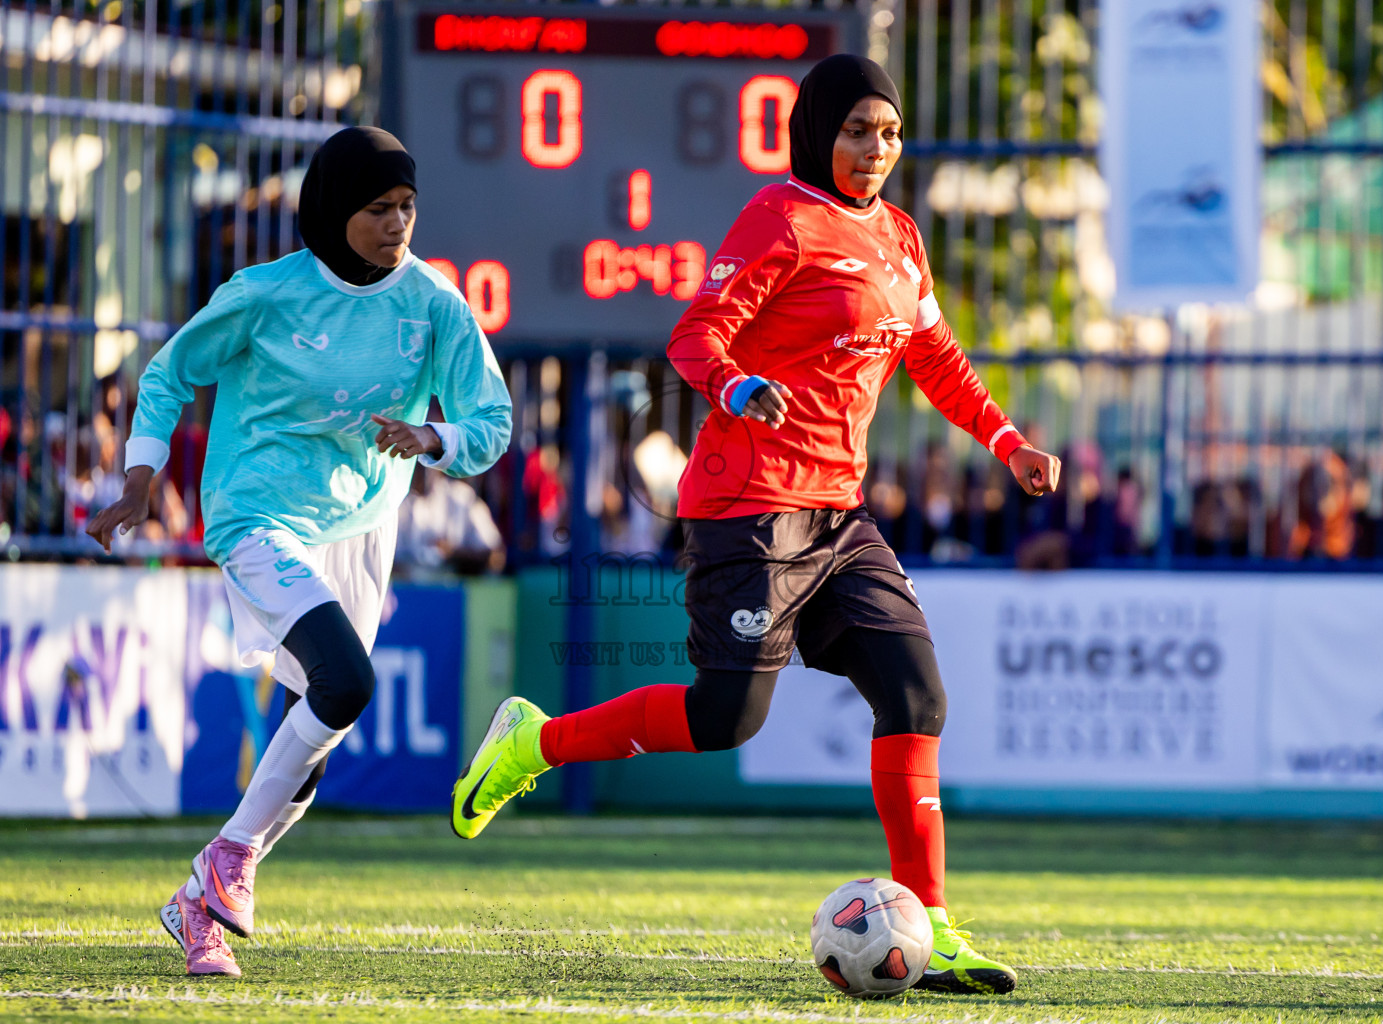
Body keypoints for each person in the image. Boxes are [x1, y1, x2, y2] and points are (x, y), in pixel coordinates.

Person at [448, 55, 1060, 996]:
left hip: (839, 518)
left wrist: (1006, 438)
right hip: (749, 507)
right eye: (858, 130)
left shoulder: (899, 235)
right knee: (726, 717)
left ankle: (932, 925)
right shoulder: (781, 217)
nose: (876, 149)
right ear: (819, 132)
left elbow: (934, 354)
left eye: (889, 133)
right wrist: (739, 385)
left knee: (917, 696)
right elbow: (696, 335)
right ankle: (534, 742)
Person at [85, 126, 512, 978]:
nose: (397, 225)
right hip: (256, 514)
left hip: (360, 528)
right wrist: (141, 471)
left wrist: (432, 436)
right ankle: (231, 860)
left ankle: (198, 901)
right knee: (346, 683)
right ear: (331, 210)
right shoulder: (265, 294)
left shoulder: (435, 304)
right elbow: (169, 374)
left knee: (309, 739)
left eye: (407, 207)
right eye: (377, 208)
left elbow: (493, 425)